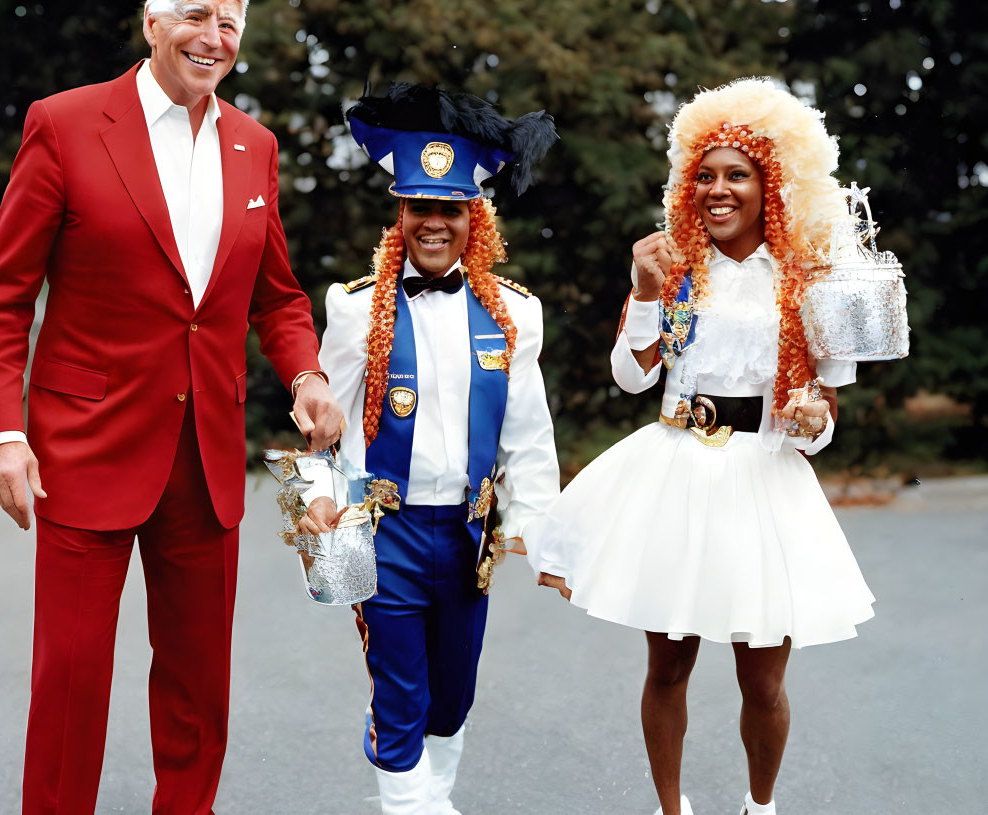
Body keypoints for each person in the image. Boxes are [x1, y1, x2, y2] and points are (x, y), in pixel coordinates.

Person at [0, 0, 343, 814]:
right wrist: (2, 429)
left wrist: (307, 372)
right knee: (70, 684)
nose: (212, 37)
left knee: (197, 689)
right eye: (196, 15)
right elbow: (3, 295)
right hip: (80, 449)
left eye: (229, 23)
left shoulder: (256, 145)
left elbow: (277, 295)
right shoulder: (64, 125)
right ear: (151, 20)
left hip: (206, 459)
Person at [526, 78, 875, 815]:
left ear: (767, 185)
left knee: (764, 679)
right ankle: (669, 806)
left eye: (735, 175)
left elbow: (826, 407)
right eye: (705, 175)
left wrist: (815, 418)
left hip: (763, 472)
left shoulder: (803, 279)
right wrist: (643, 289)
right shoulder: (671, 265)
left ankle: (760, 805)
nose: (718, 190)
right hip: (677, 469)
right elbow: (628, 376)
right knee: (667, 666)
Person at [301, 84, 560, 814]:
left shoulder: (515, 313)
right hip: (386, 530)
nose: (434, 224)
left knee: (451, 696)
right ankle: (411, 802)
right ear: (401, 215)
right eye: (421, 208)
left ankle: (425, 791)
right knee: (401, 687)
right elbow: (325, 421)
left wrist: (545, 536)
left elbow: (528, 436)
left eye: (450, 209)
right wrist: (321, 492)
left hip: (470, 534)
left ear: (473, 217)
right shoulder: (355, 307)